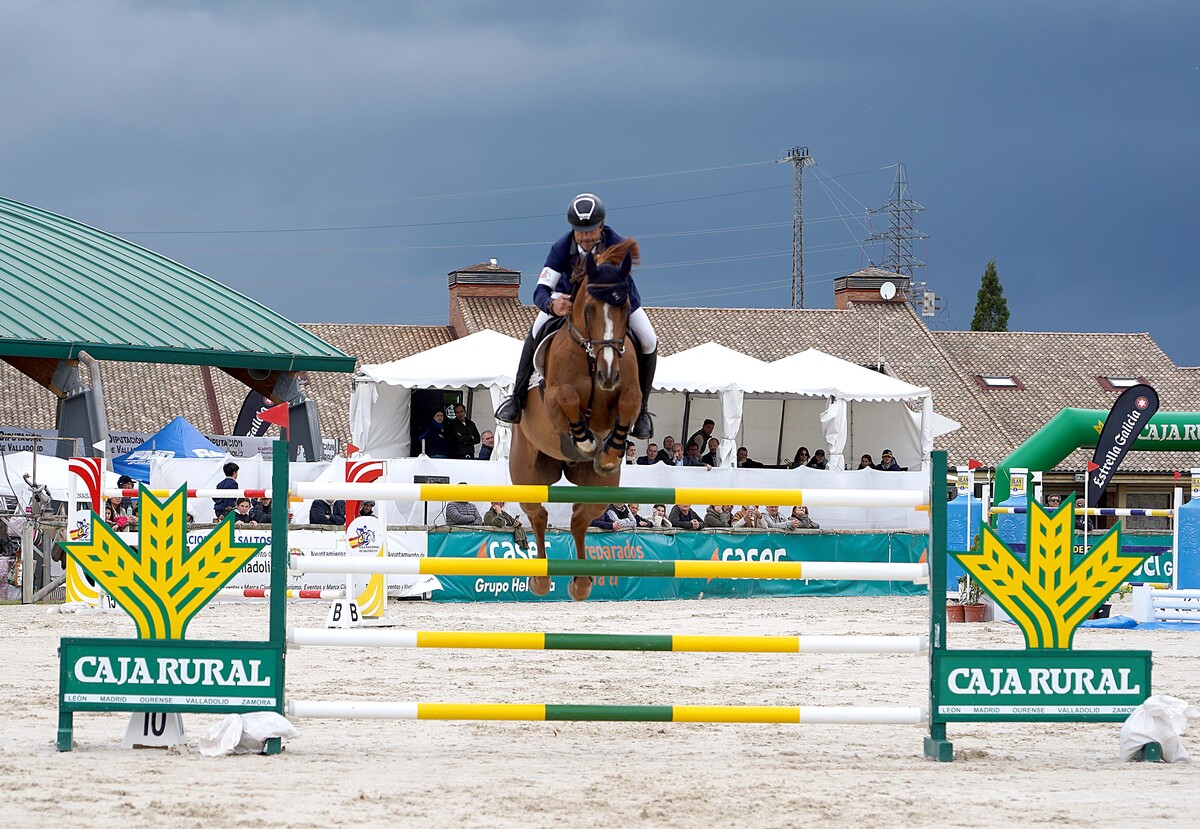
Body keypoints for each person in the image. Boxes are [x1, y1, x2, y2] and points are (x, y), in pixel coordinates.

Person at [494, 193, 658, 438]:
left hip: (614, 303)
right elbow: (540, 291)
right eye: (580, 231)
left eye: (591, 230)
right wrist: (552, 305)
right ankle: (516, 399)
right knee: (536, 330)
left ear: (601, 226)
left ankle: (643, 410)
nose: (586, 236)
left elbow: (625, 285)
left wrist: (618, 304)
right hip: (569, 302)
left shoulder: (616, 244)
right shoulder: (561, 248)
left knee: (649, 339)